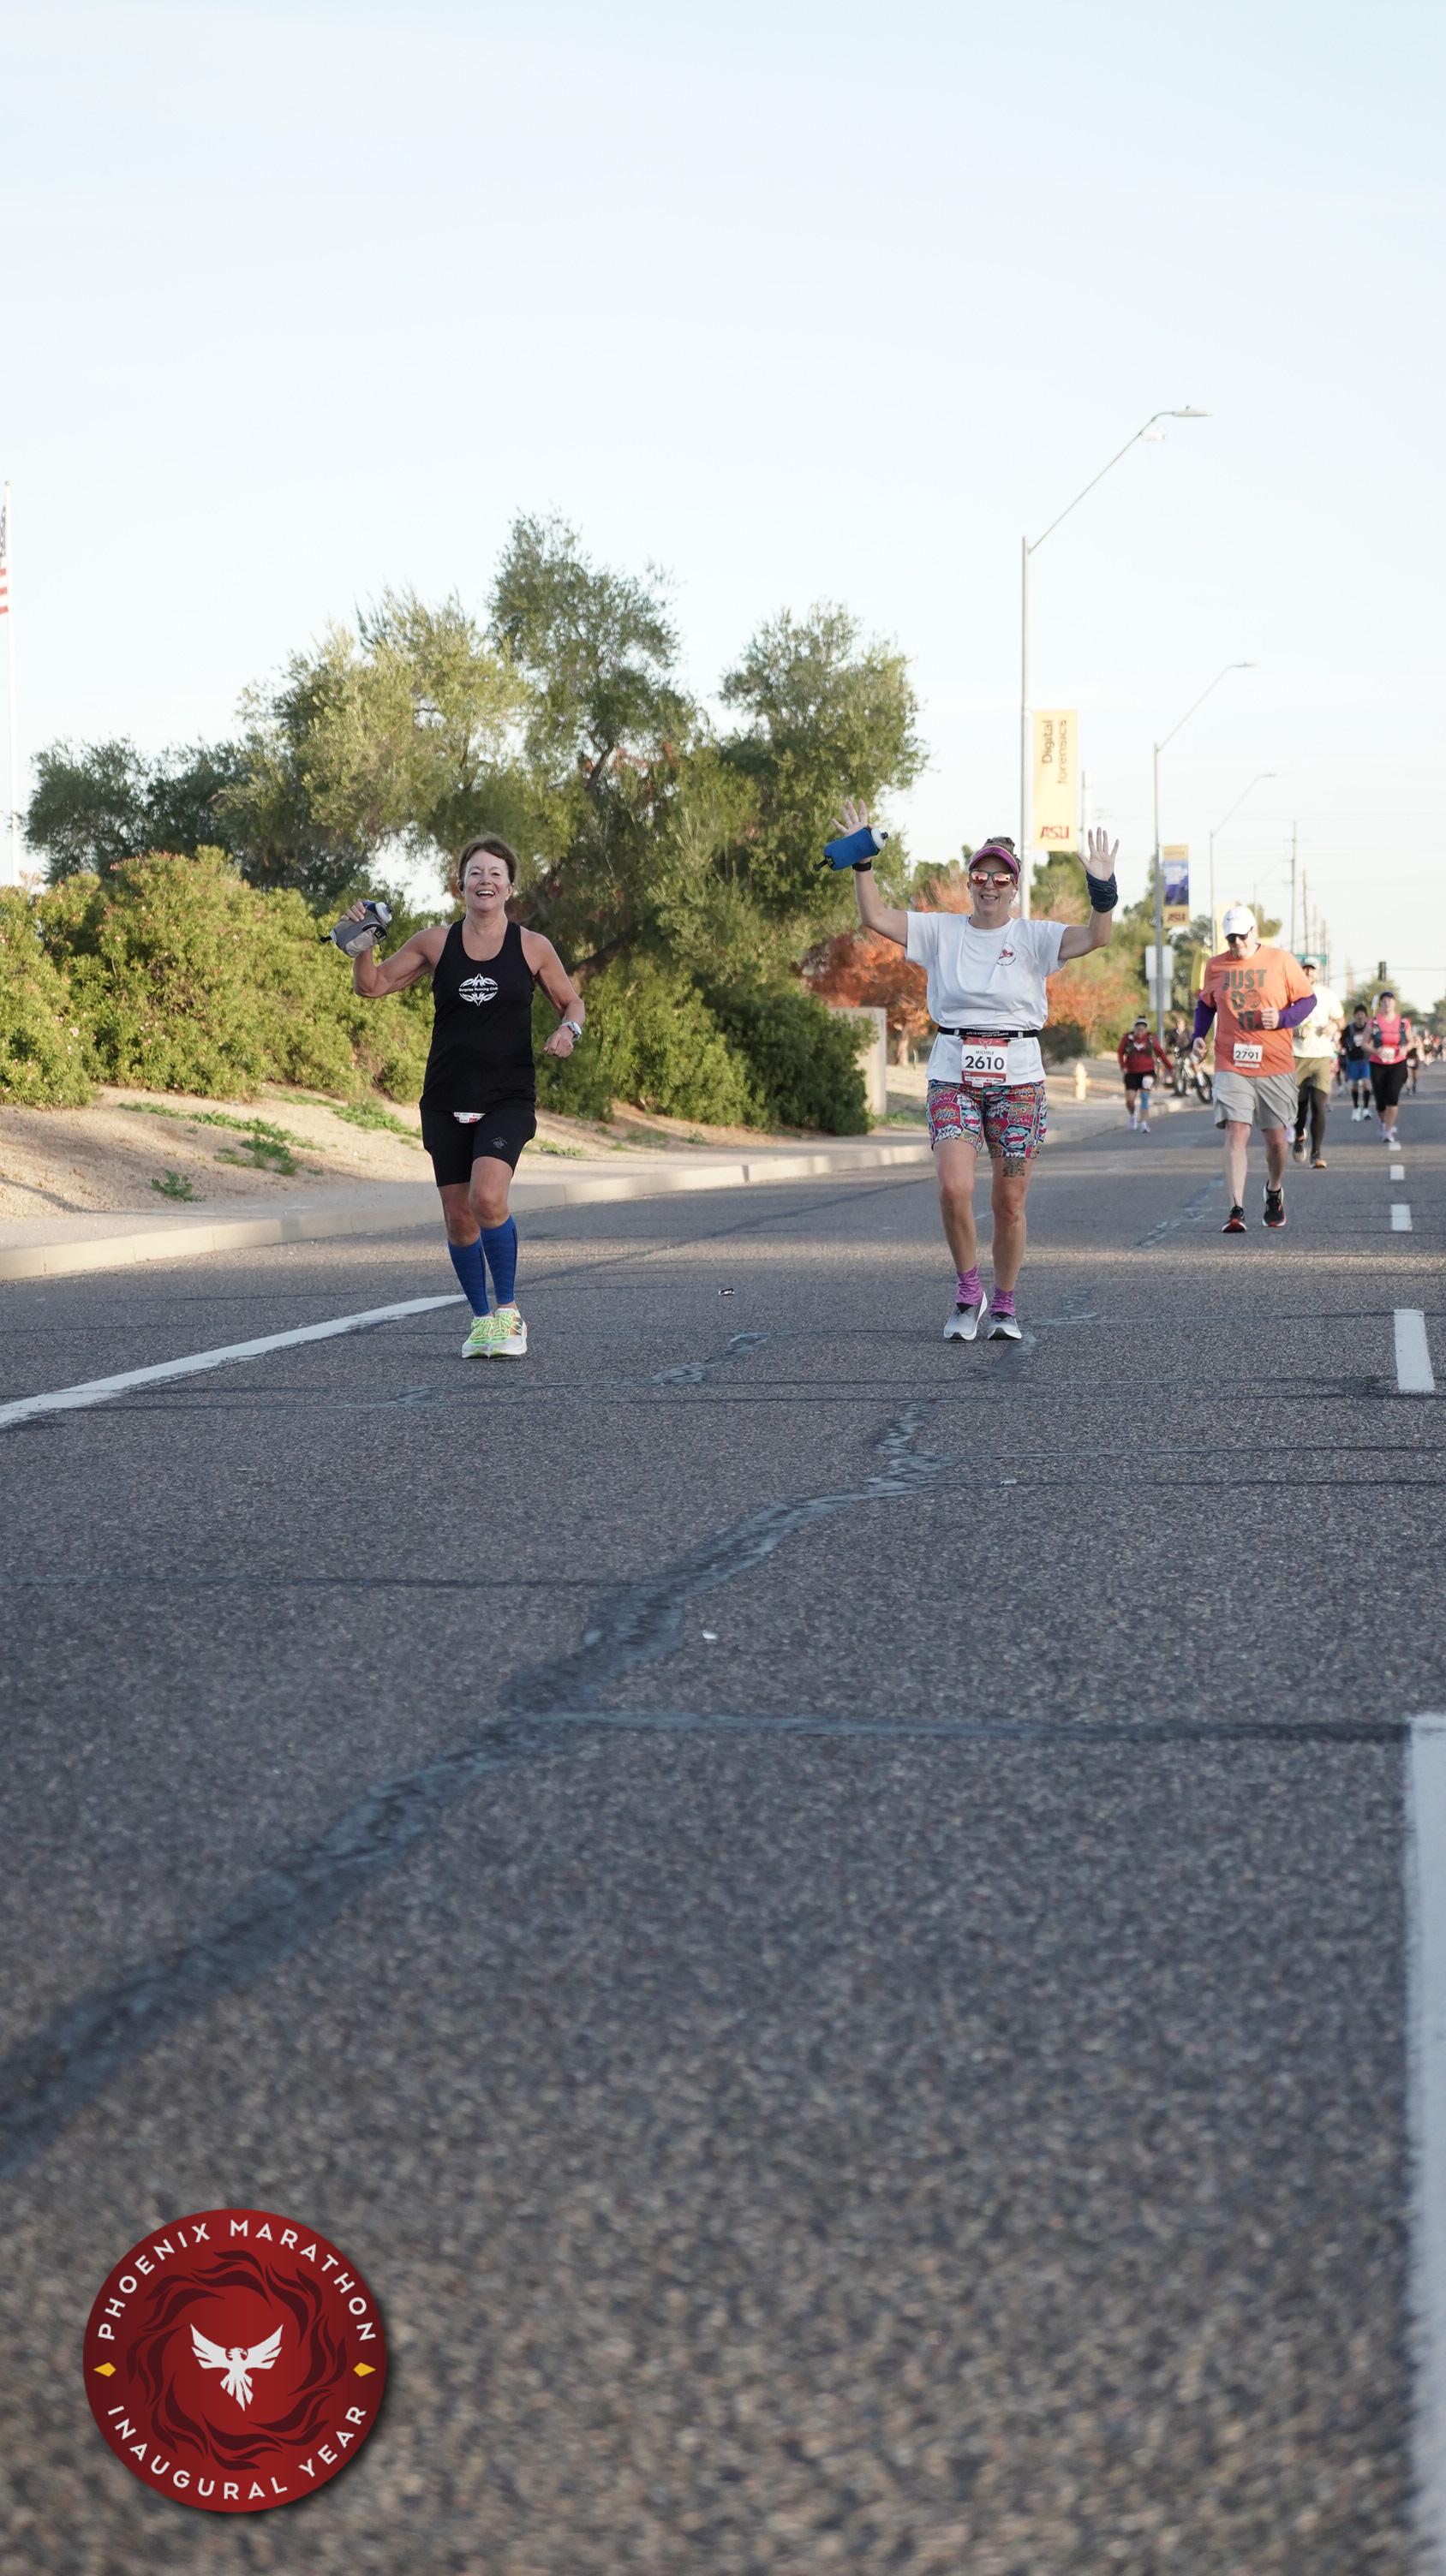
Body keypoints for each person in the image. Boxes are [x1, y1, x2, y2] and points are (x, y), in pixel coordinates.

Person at [840, 798, 1119, 1340]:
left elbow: (1097, 937)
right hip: (953, 1073)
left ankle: (1005, 1306)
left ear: (1014, 887)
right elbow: (874, 917)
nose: (990, 886)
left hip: (1018, 1082)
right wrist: (862, 859)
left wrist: (1102, 889)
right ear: (969, 883)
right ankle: (969, 1292)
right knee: (953, 1188)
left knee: (1009, 1202)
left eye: (1000, 878)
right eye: (980, 877)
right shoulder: (940, 931)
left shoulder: (1036, 937)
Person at [342, 836, 585, 1357]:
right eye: (476, 872)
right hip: (445, 1095)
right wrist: (363, 945)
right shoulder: (434, 943)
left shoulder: (532, 946)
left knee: (487, 1198)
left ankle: (510, 1314)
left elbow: (572, 1003)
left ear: (510, 887)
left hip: (507, 1096)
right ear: (461, 885)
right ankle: (481, 1321)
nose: (485, 880)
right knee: (458, 1216)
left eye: (496, 873)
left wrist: (569, 1031)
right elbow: (372, 985)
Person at [1193, 904, 1315, 1232]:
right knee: (1237, 1130)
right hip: (1231, 1061)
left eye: (1241, 936)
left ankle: (1274, 1191)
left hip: (1275, 1063)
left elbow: (1308, 1000)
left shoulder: (1281, 961)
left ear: (1254, 931)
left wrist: (1284, 1018)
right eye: (1230, 938)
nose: (1237, 943)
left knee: (1276, 1140)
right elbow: (1205, 1004)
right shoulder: (1215, 965)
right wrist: (1198, 1036)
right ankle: (1236, 1209)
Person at [1289, 957, 1343, 1170]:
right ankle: (1299, 1134)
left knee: (1318, 1105)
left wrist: (1334, 1027)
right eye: (1305, 969)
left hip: (1321, 1055)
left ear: (1317, 972)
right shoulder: (1290, 992)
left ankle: (1316, 1153)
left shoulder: (1327, 995)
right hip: (1296, 1055)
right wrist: (1294, 1030)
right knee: (1299, 1105)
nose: (1308, 973)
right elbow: (1279, 1019)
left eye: (1312, 969)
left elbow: (1340, 1019)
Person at [1369, 989, 1413, 1142]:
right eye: (1384, 1000)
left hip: (1397, 1063)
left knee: (1392, 1097)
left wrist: (1405, 1049)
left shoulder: (1403, 1023)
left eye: (1390, 1000)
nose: (1387, 1003)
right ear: (1381, 1004)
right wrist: (1376, 1050)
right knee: (1380, 1101)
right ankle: (1383, 1121)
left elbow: (1411, 1042)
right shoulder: (1374, 1022)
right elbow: (1365, 1044)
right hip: (1378, 1064)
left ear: (1394, 1003)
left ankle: (1388, 1131)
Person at [1117, 1015, 1172, 1130]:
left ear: (1146, 1029)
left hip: (1147, 1072)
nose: (1140, 1031)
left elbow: (1160, 1054)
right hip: (1131, 1072)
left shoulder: (1151, 1039)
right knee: (1129, 1100)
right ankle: (1133, 1115)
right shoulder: (1128, 1038)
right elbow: (1120, 1052)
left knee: (1144, 1096)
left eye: (1143, 1029)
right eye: (1138, 1029)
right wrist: (1123, 1066)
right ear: (1134, 1028)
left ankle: (1144, 1123)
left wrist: (1170, 1068)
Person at [1342, 1004, 1373, 1119]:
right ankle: (1356, 1108)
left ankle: (1366, 1109)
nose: (1360, 1017)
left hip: (1366, 1059)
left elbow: (1375, 1040)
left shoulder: (1369, 1028)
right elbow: (1342, 1041)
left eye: (1362, 1014)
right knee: (1354, 1085)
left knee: (1366, 1083)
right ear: (1355, 1016)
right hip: (1353, 1059)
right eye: (1358, 1014)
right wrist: (1348, 1044)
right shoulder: (1349, 1028)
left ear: (1366, 1016)